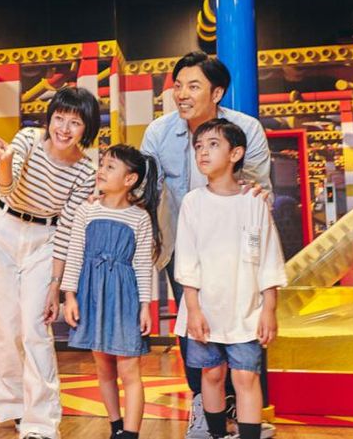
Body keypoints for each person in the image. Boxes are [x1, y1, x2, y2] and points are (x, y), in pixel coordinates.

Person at [140, 51, 274, 439]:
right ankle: (205, 407)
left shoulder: (246, 130)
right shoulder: (158, 133)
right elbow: (145, 190)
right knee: (195, 329)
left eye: (193, 86)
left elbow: (258, 188)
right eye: (178, 86)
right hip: (183, 248)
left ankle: (240, 410)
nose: (182, 94)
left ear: (216, 93)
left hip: (238, 256)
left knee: (244, 328)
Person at [0, 87, 100, 439]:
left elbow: (68, 229)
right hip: (2, 229)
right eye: (59, 118)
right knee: (2, 326)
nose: (64, 128)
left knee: (35, 329)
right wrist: (4, 161)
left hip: (45, 240)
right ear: (49, 118)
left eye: (75, 122)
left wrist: (55, 286)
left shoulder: (85, 170)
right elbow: (6, 187)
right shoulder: (28, 139)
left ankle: (41, 424)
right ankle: (16, 406)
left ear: (87, 128)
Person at [175, 119, 287, 439]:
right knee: (211, 374)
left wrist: (269, 309)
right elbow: (187, 262)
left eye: (213, 145)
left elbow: (268, 260)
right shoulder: (193, 202)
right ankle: (217, 434)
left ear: (235, 153)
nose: (203, 152)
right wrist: (193, 309)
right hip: (205, 309)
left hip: (247, 310)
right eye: (198, 146)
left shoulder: (254, 202)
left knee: (245, 377)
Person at [60, 145, 161, 439]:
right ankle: (116, 427)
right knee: (103, 369)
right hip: (92, 294)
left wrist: (145, 306)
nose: (101, 171)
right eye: (101, 164)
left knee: (129, 371)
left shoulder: (140, 217)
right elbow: (74, 254)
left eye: (109, 167)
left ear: (130, 179)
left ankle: (130, 434)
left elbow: (143, 264)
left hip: (124, 297)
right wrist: (69, 296)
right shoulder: (86, 210)